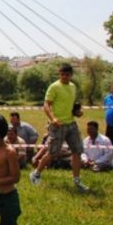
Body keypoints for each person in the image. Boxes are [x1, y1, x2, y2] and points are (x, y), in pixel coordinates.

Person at [29, 64, 89, 193]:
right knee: (52, 153)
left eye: (67, 74)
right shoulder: (54, 86)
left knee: (77, 151)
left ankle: (77, 181)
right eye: (62, 74)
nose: (65, 77)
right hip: (58, 125)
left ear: (71, 75)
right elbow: (46, 104)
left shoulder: (73, 87)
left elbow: (72, 104)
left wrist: (77, 112)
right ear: (59, 74)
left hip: (71, 124)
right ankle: (36, 174)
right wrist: (53, 119)